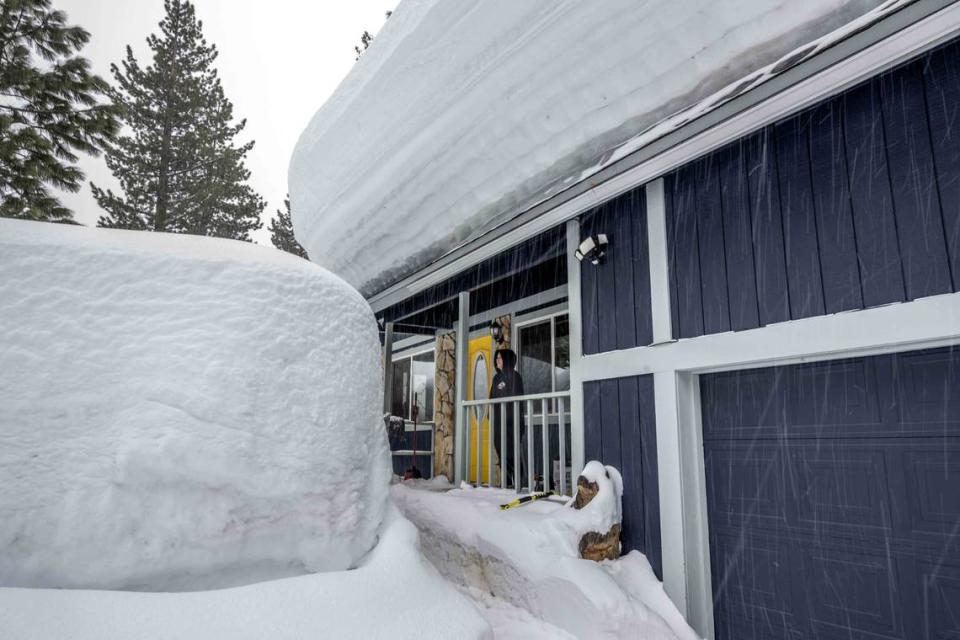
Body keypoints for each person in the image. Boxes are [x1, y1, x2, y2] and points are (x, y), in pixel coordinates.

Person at [490, 348, 524, 488]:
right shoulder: (496, 378)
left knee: (511, 452)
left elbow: (517, 399)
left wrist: (510, 417)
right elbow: (492, 397)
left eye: (500, 358)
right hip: (499, 422)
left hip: (512, 422)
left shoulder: (515, 377)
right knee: (500, 450)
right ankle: (508, 482)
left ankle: (519, 481)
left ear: (507, 359)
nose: (497, 361)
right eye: (496, 358)